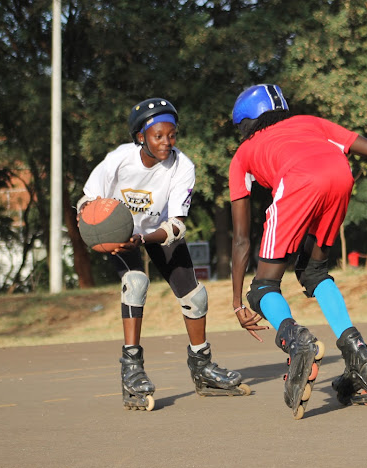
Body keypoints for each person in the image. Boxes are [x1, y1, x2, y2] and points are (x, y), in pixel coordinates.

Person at [228, 84, 367, 419]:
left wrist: (238, 301)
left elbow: (241, 240)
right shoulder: (312, 123)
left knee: (263, 288)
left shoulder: (244, 154)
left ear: (246, 124)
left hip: (299, 181)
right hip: (340, 177)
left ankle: (298, 343)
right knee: (314, 272)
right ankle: (358, 359)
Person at [77, 97, 249, 411]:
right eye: (159, 136)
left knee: (195, 297)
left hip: (153, 231)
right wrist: (95, 230)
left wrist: (142, 238)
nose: (167, 142)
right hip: (117, 233)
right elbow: (87, 203)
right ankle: (132, 367)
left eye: (172, 135)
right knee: (137, 283)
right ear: (140, 136)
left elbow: (177, 226)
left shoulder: (182, 166)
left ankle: (202, 367)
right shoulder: (119, 160)